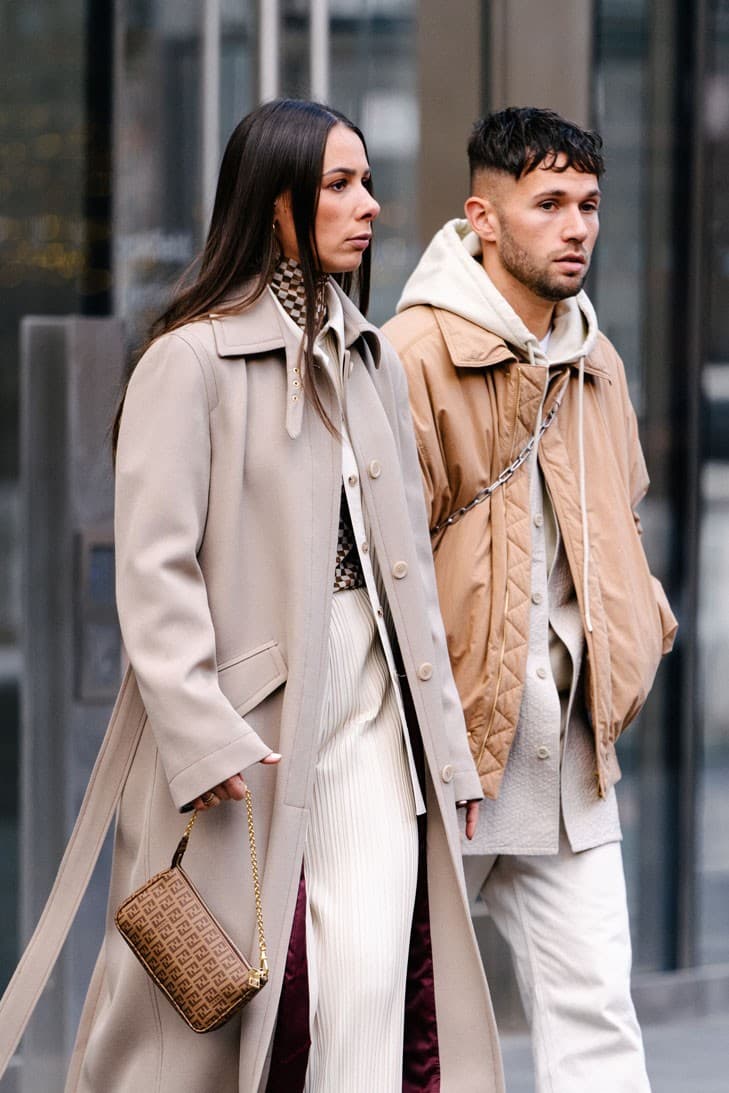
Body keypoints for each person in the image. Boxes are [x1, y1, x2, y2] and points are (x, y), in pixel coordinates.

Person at [0, 99, 505, 1093]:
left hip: (373, 712)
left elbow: (408, 585)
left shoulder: (371, 361)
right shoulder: (188, 360)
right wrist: (199, 731)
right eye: (338, 184)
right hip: (249, 731)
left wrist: (450, 755)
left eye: (365, 181)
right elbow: (153, 570)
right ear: (274, 205)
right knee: (217, 1015)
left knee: (368, 994)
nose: (368, 204)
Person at [383, 107, 678, 1093]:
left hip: (572, 760)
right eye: (548, 203)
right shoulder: (411, 356)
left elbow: (620, 527)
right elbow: (382, 569)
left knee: (597, 1018)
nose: (576, 226)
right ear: (482, 217)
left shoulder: (597, 359)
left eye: (588, 204)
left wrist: (642, 630)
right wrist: (425, 741)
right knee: (396, 1027)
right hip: (443, 762)